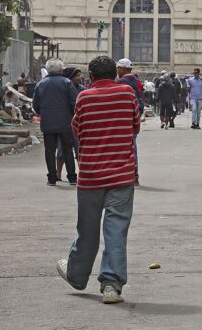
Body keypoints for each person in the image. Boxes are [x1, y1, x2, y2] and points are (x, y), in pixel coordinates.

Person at [56, 55, 140, 305]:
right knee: (116, 231)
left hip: (91, 175)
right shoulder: (127, 94)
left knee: (88, 230)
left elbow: (77, 129)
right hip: (121, 175)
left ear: (91, 77)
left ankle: (76, 275)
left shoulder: (84, 97)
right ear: (115, 74)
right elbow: (135, 126)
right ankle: (111, 286)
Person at [32, 59, 79, 186]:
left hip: (48, 122)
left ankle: (52, 178)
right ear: (60, 70)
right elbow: (74, 103)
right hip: (65, 122)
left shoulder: (41, 84)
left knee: (50, 150)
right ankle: (72, 178)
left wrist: (43, 113)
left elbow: (35, 105)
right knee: (67, 149)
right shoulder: (67, 82)